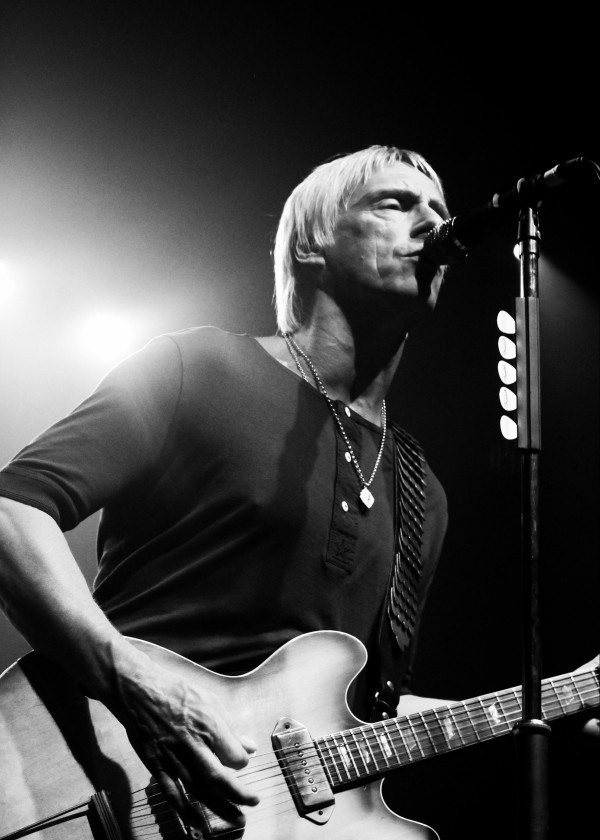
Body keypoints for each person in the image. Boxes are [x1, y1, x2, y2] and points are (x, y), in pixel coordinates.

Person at [0, 145, 453, 829]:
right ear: (311, 244)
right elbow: (13, 510)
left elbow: (371, 711)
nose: (433, 225)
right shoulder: (200, 369)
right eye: (396, 204)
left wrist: (550, 707)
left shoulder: (423, 495)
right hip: (92, 788)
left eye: (440, 211)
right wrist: (134, 685)